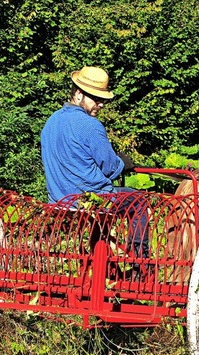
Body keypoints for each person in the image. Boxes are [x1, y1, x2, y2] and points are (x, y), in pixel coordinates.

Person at [40, 66, 148, 260]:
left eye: (103, 100)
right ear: (79, 94)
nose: (101, 104)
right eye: (96, 99)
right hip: (89, 201)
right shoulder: (90, 125)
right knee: (139, 200)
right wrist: (123, 162)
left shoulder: (51, 121)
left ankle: (101, 257)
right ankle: (142, 265)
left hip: (59, 201)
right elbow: (110, 167)